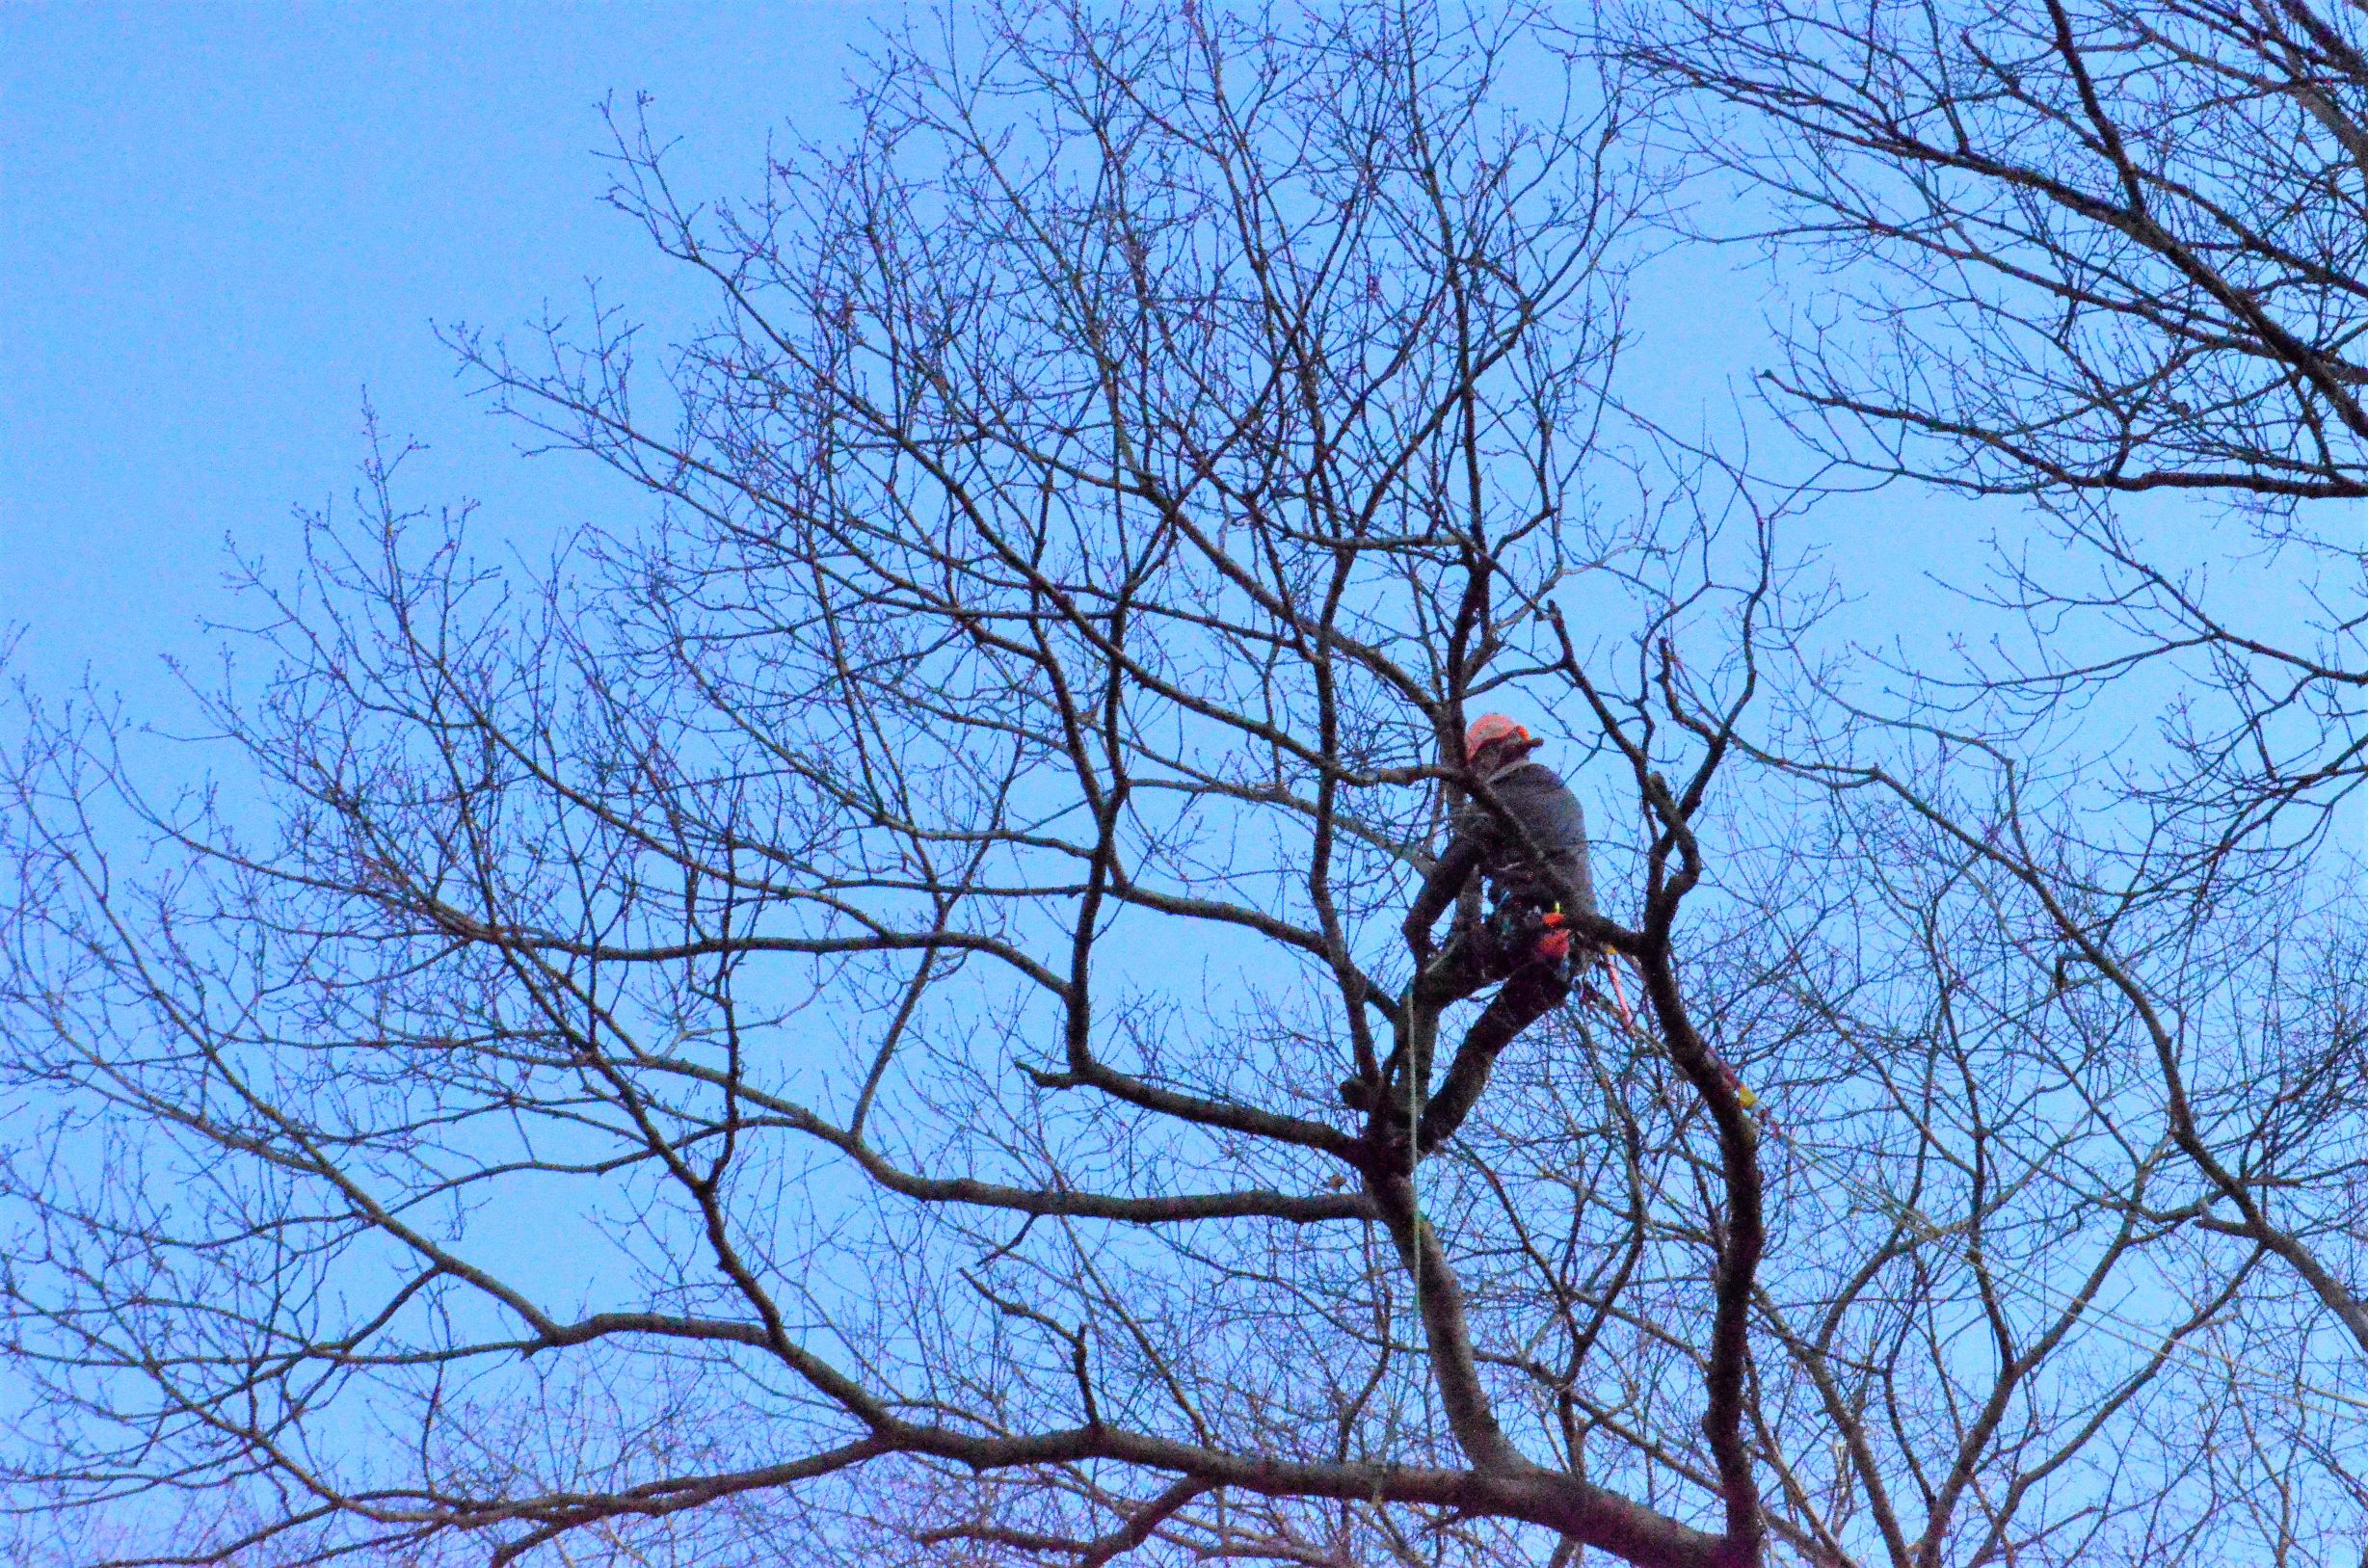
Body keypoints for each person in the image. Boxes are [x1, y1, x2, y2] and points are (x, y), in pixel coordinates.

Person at [1343, 713, 1598, 1124]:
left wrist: (1418, 924)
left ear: (1495, 754)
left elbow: (1455, 865)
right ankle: (1425, 1138)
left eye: (1477, 761)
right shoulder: (1557, 792)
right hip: (1571, 953)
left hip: (1529, 926)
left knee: (1422, 993)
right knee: (1481, 1045)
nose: (1474, 772)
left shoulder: (1502, 796)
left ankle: (1406, 1105)